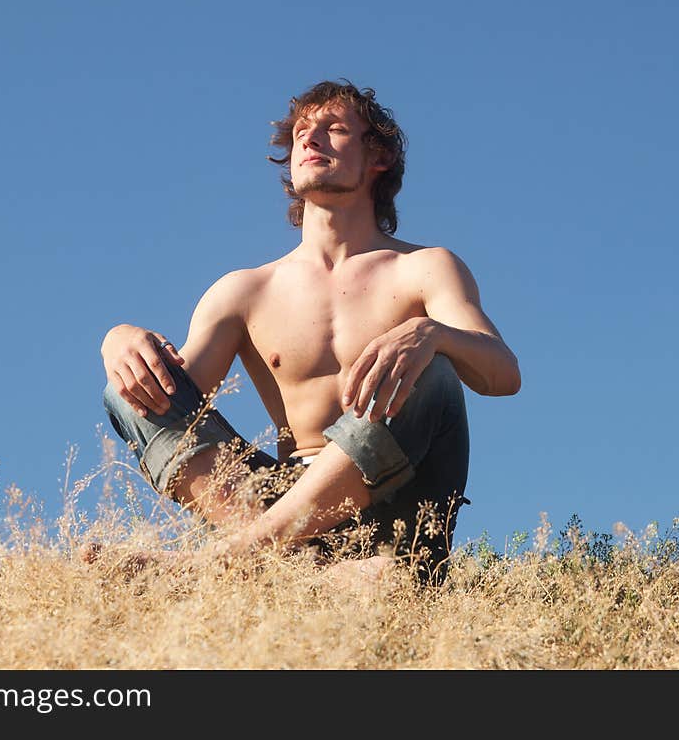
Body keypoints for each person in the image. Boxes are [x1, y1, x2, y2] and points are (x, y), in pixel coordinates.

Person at [98, 79, 520, 585]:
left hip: (398, 509)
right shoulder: (245, 290)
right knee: (129, 387)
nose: (310, 140)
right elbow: (171, 397)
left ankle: (230, 563)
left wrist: (431, 334)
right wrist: (117, 338)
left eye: (334, 129)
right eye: (301, 131)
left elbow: (503, 373)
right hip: (281, 503)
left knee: (432, 371)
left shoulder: (425, 267)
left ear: (378, 155)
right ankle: (290, 566)